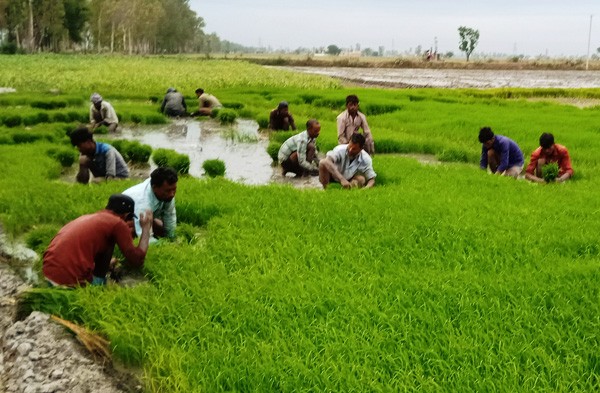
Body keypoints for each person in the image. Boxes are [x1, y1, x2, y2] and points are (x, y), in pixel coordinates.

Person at [42, 194, 153, 287]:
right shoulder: (117, 223)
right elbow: (137, 260)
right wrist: (146, 228)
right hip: (68, 280)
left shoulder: (92, 217)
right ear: (127, 215)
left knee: (109, 242)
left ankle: (99, 279)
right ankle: (99, 283)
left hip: (47, 273)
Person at [123, 166, 178, 240]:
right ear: (154, 187)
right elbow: (144, 236)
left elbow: (170, 217)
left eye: (174, 189)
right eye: (167, 191)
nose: (172, 194)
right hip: (124, 220)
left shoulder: (168, 195)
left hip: (144, 218)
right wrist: (163, 246)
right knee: (130, 230)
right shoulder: (143, 201)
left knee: (161, 226)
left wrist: (172, 238)